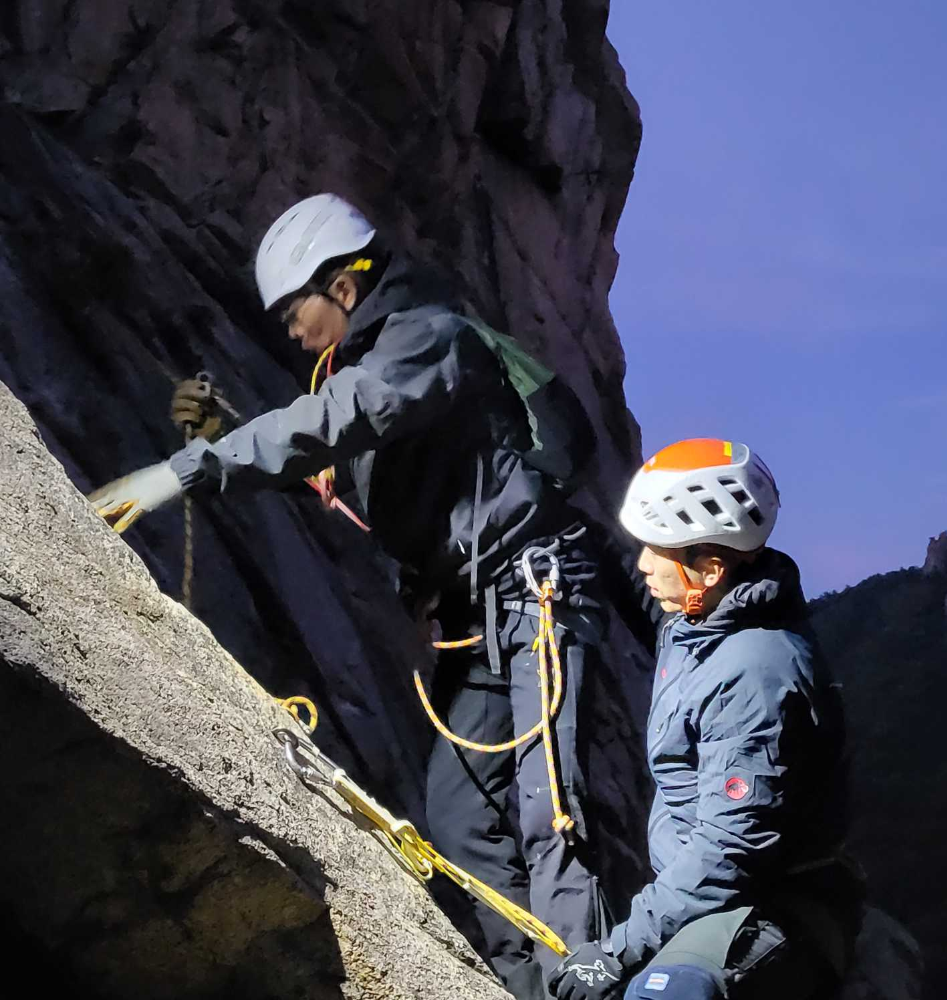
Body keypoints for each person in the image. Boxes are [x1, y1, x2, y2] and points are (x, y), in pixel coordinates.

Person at [90, 193, 614, 1000]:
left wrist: (187, 470)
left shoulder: (425, 336)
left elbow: (346, 417)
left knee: (553, 810)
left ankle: (587, 984)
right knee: (463, 820)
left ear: (342, 285)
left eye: (294, 310)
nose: (288, 331)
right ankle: (533, 989)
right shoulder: (370, 359)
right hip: (480, 608)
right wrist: (212, 434)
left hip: (532, 584)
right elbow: (335, 460)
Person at [547, 439, 862, 1000]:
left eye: (656, 549)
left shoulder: (755, 672)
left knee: (665, 994)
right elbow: (642, 594)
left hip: (772, 905)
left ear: (709, 569)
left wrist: (616, 954)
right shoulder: (700, 625)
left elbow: (729, 849)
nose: (643, 562)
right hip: (717, 895)